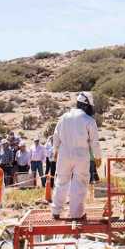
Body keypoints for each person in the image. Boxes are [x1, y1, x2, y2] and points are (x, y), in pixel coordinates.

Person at [50, 92, 102, 220]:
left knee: (61, 181)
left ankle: (56, 211)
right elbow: (94, 142)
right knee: (79, 183)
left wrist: (55, 151)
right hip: (81, 154)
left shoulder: (63, 117)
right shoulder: (89, 120)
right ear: (85, 106)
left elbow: (56, 136)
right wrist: (98, 157)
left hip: (64, 153)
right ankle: (76, 214)